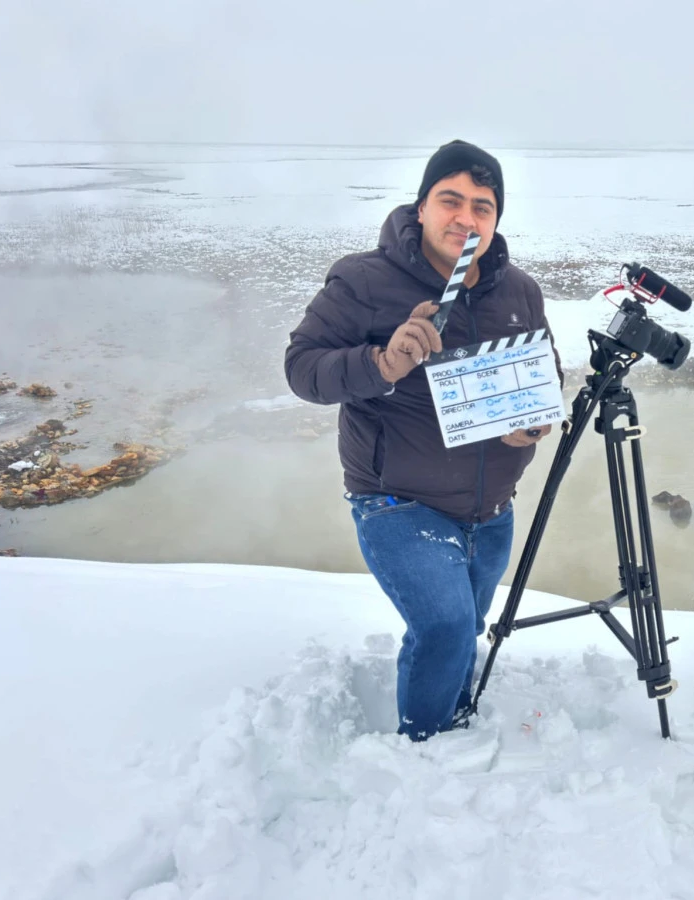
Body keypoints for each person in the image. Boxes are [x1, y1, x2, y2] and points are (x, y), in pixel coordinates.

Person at [284, 140, 562, 741]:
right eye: (450, 200)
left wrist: (532, 421)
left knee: (468, 624)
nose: (466, 218)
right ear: (421, 207)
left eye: (483, 207)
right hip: (398, 501)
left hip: (491, 508)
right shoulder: (364, 280)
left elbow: (544, 373)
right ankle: (428, 745)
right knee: (445, 627)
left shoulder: (518, 290)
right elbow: (302, 369)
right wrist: (380, 364)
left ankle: (456, 709)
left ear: (496, 218)